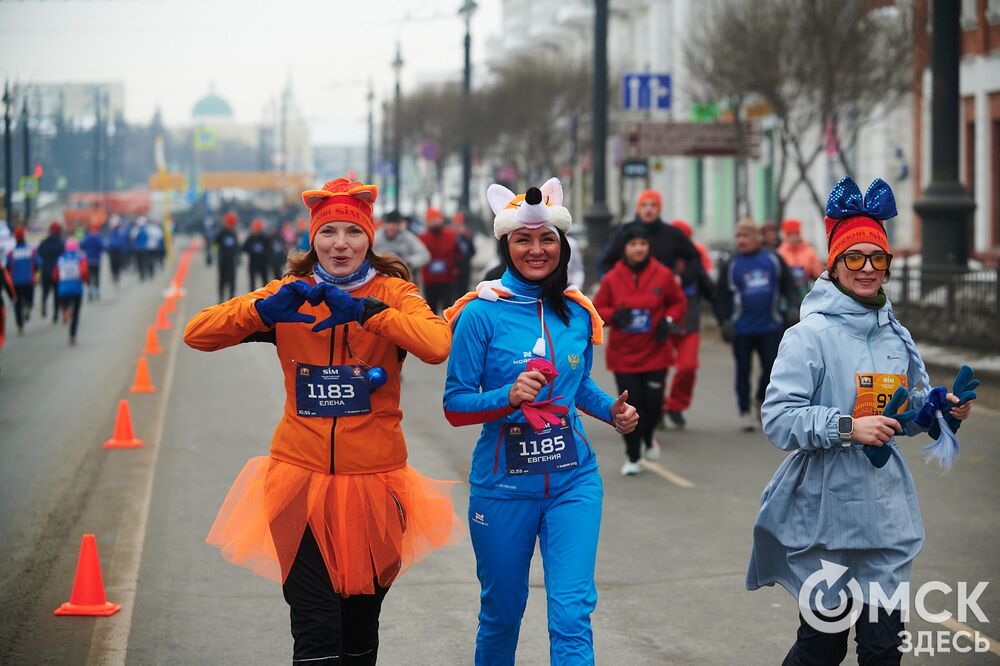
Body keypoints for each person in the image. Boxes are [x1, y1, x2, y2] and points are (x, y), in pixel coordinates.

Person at [184, 177, 462, 664]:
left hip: (376, 488)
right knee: (314, 634)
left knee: (357, 636)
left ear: (369, 239)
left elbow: (437, 345)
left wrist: (367, 312)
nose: (340, 244)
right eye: (328, 232)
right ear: (312, 239)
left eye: (352, 233)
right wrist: (260, 311)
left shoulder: (395, 293)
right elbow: (196, 333)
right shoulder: (290, 294)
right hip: (297, 482)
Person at [747, 177, 977, 665]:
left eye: (878, 258)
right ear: (834, 264)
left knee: (882, 650)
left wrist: (937, 410)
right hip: (825, 510)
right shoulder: (807, 336)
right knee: (822, 647)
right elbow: (778, 418)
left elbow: (902, 411)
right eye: (855, 258)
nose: (868, 269)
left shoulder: (895, 334)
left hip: (885, 513)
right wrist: (849, 427)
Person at [444, 178, 639, 665]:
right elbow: (455, 404)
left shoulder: (574, 312)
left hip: (574, 483)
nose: (537, 249)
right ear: (506, 244)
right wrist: (508, 396)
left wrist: (611, 410)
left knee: (572, 615)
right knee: (502, 614)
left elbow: (578, 387)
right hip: (503, 488)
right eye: (523, 239)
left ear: (562, 244)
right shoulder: (480, 314)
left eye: (547, 238)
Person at [593, 226, 686, 474]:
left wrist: (667, 321)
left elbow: (678, 302)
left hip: (655, 352)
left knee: (653, 406)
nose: (638, 248)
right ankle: (633, 456)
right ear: (625, 248)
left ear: (648, 247)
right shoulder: (613, 278)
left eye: (642, 244)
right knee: (629, 407)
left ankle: (648, 436)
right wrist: (616, 315)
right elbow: (598, 309)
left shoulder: (663, 274)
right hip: (624, 356)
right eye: (633, 244)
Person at [714, 219, 800, 431]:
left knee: (771, 369)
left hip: (770, 326)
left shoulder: (773, 259)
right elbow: (720, 295)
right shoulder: (731, 264)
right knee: (743, 370)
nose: (741, 240)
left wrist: (792, 308)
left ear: (757, 238)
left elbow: (790, 288)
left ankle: (761, 398)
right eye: (738, 236)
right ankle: (744, 411)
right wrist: (724, 321)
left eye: (746, 236)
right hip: (741, 328)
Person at [663, 220, 715, 429]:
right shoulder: (661, 258)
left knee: (688, 366)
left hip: (689, 322)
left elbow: (709, 289)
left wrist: (724, 315)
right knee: (658, 370)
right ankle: (655, 409)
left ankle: (675, 405)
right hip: (664, 322)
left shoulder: (695, 260)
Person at [599, 189, 702, 289]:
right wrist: (620, 282)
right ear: (638, 209)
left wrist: (682, 279)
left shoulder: (672, 234)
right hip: (631, 293)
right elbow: (607, 262)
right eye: (644, 205)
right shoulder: (625, 232)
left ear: (659, 209)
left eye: (653, 205)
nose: (649, 209)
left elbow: (694, 256)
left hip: (664, 292)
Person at [418, 208, 461, 315]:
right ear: (427, 221)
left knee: (448, 309)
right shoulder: (422, 237)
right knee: (431, 310)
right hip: (430, 280)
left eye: (437, 218)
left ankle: (448, 330)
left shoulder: (451, 235)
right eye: (432, 219)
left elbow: (458, 253)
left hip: (447, 279)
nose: (435, 222)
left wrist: (455, 268)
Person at [373, 209, 430, 279]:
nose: (391, 227)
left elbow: (425, 255)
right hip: (380, 279)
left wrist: (408, 263)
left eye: (394, 224)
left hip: (404, 279)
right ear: (384, 224)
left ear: (399, 225)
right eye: (388, 223)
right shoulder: (376, 238)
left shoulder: (408, 237)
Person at [53, 237, 89, 346]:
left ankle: (66, 310)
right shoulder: (80, 258)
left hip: (63, 288)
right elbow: (84, 272)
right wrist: (87, 281)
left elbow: (55, 275)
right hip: (76, 289)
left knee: (66, 304)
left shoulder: (60, 258)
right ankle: (72, 337)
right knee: (76, 314)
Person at [777, 218, 825, 298]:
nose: (793, 237)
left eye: (795, 234)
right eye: (790, 234)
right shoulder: (781, 252)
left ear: (799, 234)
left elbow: (818, 273)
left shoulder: (809, 251)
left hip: (805, 288)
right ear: (786, 235)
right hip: (787, 290)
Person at [6, 226, 37, 334]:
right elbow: (38, 263)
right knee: (29, 300)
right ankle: (28, 307)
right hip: (29, 281)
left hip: (16, 282)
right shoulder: (31, 250)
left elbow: (7, 267)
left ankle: (19, 326)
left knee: (17, 304)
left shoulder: (11, 253)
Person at [37, 221, 65, 322]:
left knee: (45, 291)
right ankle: (55, 314)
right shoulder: (60, 243)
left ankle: (44, 302)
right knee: (56, 294)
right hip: (56, 272)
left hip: (45, 271)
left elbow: (39, 253)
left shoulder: (44, 242)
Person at [215, 212, 240, 302]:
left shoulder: (234, 233)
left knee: (232, 280)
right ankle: (221, 298)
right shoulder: (221, 233)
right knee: (222, 280)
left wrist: (238, 257)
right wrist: (214, 254)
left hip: (231, 261)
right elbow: (215, 244)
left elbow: (237, 246)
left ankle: (231, 298)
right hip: (222, 260)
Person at [243, 218, 272, 291]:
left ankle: (266, 296)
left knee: (265, 282)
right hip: (253, 263)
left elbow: (269, 249)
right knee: (252, 283)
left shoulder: (264, 238)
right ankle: (251, 298)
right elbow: (244, 248)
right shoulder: (250, 238)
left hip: (263, 263)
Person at [81, 222, 105, 301]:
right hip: (96, 260)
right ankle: (97, 292)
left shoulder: (87, 238)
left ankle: (90, 291)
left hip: (88, 260)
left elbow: (82, 246)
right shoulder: (98, 238)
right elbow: (102, 247)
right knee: (96, 276)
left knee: (89, 277)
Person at [106, 216, 128, 286]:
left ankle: (116, 276)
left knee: (116, 265)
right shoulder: (113, 232)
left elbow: (121, 242)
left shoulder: (118, 232)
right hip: (114, 251)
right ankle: (115, 276)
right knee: (114, 265)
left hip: (116, 251)